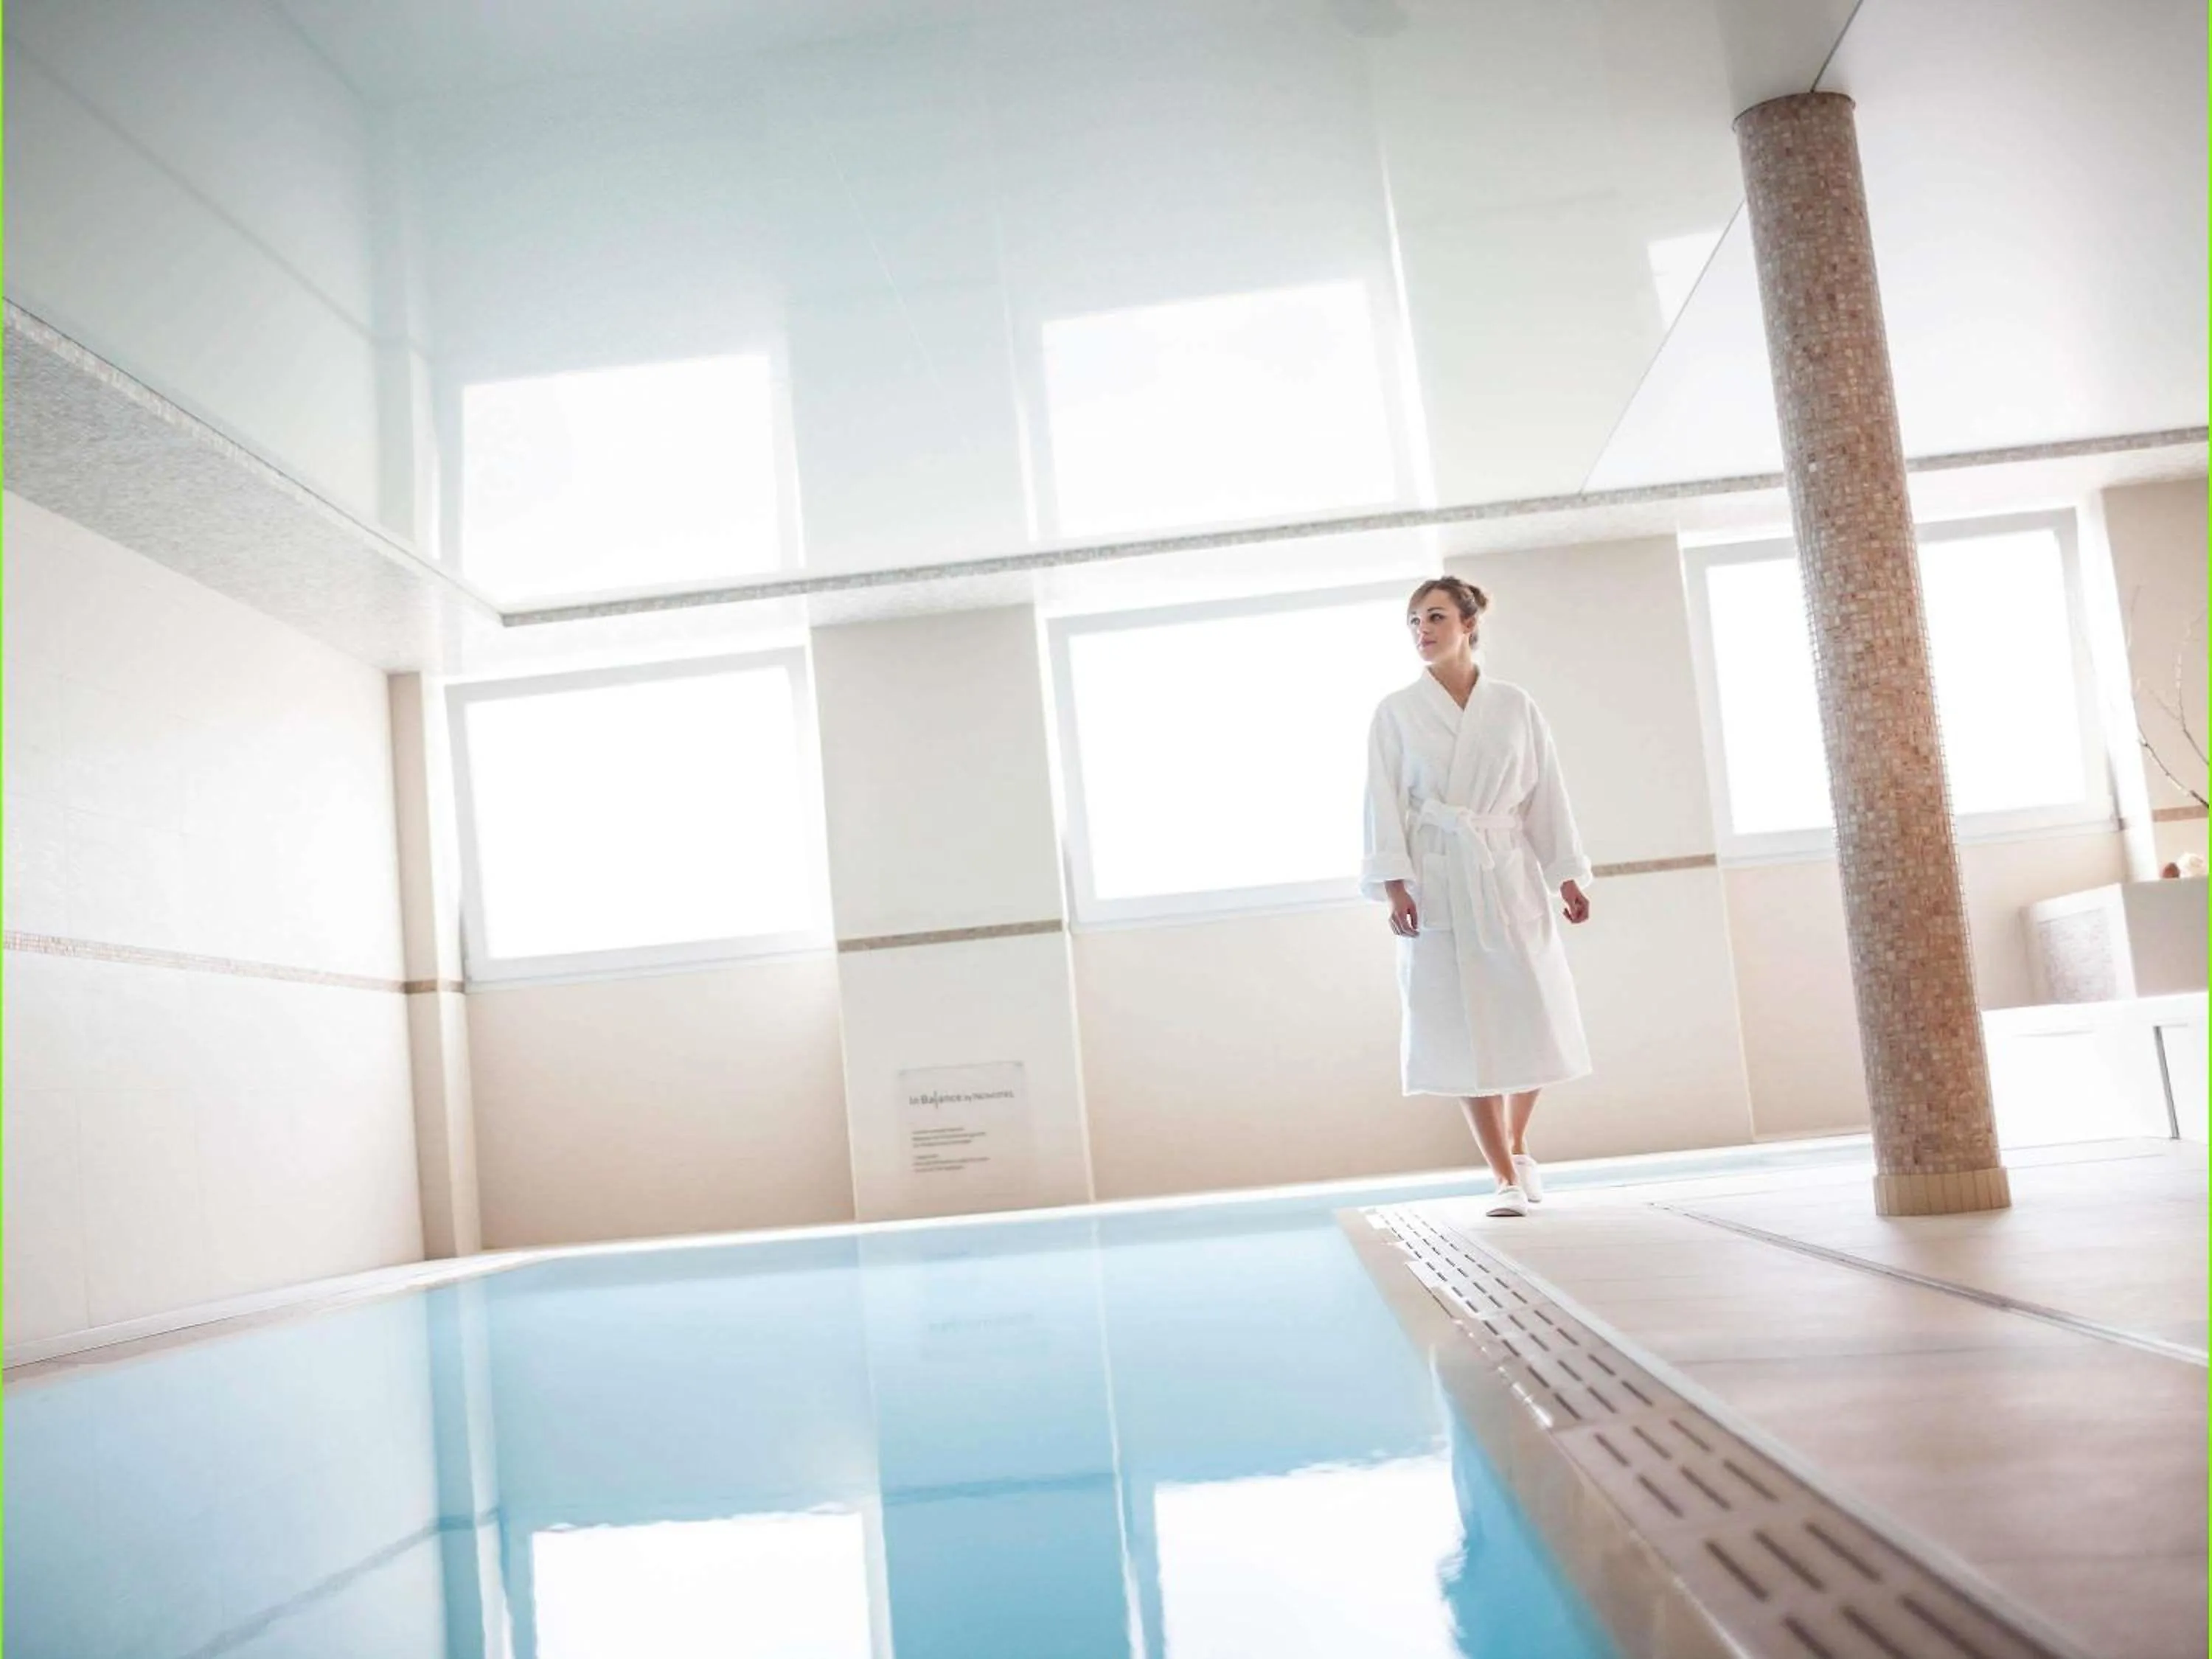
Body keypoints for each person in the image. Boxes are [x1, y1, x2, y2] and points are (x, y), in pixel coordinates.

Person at [1361, 577, 1593, 1217]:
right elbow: (1380, 799)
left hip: (1507, 869)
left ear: (1468, 624)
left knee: (1534, 1010)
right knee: (1462, 1027)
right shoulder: (1396, 711)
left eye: (1434, 617)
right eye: (1412, 622)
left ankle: (1517, 1144)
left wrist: (1567, 872)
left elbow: (1548, 792)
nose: (1421, 631)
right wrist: (1393, 884)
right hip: (1440, 876)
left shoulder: (1515, 706)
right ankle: (1502, 1178)